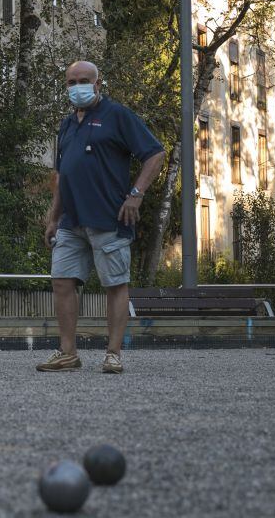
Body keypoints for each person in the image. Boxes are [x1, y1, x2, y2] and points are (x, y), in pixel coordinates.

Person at [38, 61, 166, 374]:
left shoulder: (117, 115)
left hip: (110, 217)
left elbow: (155, 153)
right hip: (71, 220)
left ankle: (113, 354)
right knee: (61, 282)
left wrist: (136, 194)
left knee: (115, 284)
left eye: (83, 80)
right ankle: (68, 353)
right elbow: (61, 175)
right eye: (71, 82)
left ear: (97, 84)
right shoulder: (67, 125)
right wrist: (54, 216)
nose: (76, 86)